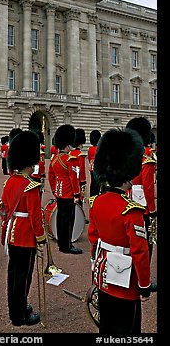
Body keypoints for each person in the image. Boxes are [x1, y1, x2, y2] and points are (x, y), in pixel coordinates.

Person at [88, 128, 151, 334]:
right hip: (126, 280)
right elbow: (140, 253)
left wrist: (96, 267)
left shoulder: (97, 202)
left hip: (103, 273)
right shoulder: (131, 211)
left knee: (106, 324)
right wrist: (144, 285)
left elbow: (93, 238)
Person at [1, 130, 47, 326]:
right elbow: (35, 217)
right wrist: (41, 237)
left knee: (13, 274)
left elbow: (2, 208)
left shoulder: (10, 181)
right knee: (23, 276)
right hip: (25, 235)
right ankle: (20, 315)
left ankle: (15, 309)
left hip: (12, 233)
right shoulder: (31, 186)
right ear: (31, 162)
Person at [125, 117, 157, 291]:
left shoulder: (129, 153)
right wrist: (152, 211)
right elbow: (149, 188)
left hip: (127, 200)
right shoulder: (147, 157)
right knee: (145, 244)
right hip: (142, 205)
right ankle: (142, 278)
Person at [48, 124, 82, 254]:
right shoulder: (69, 159)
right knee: (68, 219)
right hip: (68, 193)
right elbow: (73, 179)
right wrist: (77, 194)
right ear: (67, 145)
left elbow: (51, 177)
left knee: (60, 218)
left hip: (59, 191)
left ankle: (61, 244)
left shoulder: (54, 159)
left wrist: (54, 190)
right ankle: (67, 245)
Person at [70, 128, 88, 203]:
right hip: (78, 180)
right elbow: (82, 170)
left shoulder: (70, 154)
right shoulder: (80, 155)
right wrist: (83, 182)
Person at [87, 129, 101, 196]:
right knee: (97, 184)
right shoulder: (99, 148)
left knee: (92, 182)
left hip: (91, 167)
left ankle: (91, 196)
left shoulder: (90, 149)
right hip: (98, 167)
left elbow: (89, 159)